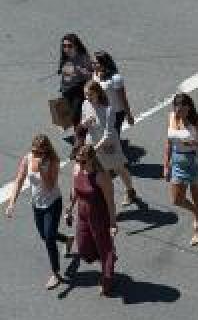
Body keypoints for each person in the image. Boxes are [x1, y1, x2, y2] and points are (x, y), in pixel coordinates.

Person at [5, 134, 73, 290]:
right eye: (34, 151)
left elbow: (50, 186)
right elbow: (19, 180)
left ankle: (55, 273)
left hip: (53, 203)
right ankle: (67, 239)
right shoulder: (28, 158)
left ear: (46, 150)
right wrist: (11, 203)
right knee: (45, 235)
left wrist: (43, 170)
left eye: (39, 152)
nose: (35, 154)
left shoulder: (53, 161)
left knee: (49, 238)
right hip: (37, 204)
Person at [164, 93, 198, 246]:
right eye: (176, 109)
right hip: (178, 163)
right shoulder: (172, 117)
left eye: (181, 110)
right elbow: (168, 142)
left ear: (189, 108)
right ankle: (196, 212)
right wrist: (166, 164)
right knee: (176, 199)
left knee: (197, 198)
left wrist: (194, 144)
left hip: (195, 162)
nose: (178, 113)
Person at [66, 144, 116, 297]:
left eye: (83, 161)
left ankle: (107, 278)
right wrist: (69, 207)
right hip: (82, 215)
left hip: (99, 216)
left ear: (92, 160)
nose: (79, 164)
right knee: (83, 249)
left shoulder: (101, 176)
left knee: (104, 248)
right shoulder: (77, 169)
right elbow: (74, 189)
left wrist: (113, 224)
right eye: (78, 160)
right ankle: (108, 258)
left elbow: (110, 201)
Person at [80, 81, 139, 207]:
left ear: (98, 93)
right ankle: (104, 201)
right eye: (86, 95)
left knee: (119, 169)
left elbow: (109, 134)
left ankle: (130, 190)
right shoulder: (85, 104)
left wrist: (95, 149)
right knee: (101, 173)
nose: (88, 98)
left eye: (90, 95)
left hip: (108, 145)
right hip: (92, 142)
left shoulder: (108, 109)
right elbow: (83, 123)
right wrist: (86, 122)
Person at [92, 51, 134, 139]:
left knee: (113, 134)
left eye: (96, 63)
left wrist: (129, 115)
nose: (93, 65)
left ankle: (116, 150)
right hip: (101, 110)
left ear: (104, 63)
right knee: (103, 133)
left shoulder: (115, 78)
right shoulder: (95, 74)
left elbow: (123, 98)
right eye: (93, 63)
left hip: (116, 112)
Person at [58, 34, 92, 132]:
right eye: (64, 46)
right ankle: (79, 134)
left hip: (78, 90)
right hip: (67, 90)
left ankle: (80, 137)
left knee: (76, 116)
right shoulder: (65, 57)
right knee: (70, 117)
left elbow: (91, 75)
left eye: (69, 46)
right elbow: (65, 76)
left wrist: (80, 70)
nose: (66, 48)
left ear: (76, 46)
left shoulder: (84, 57)